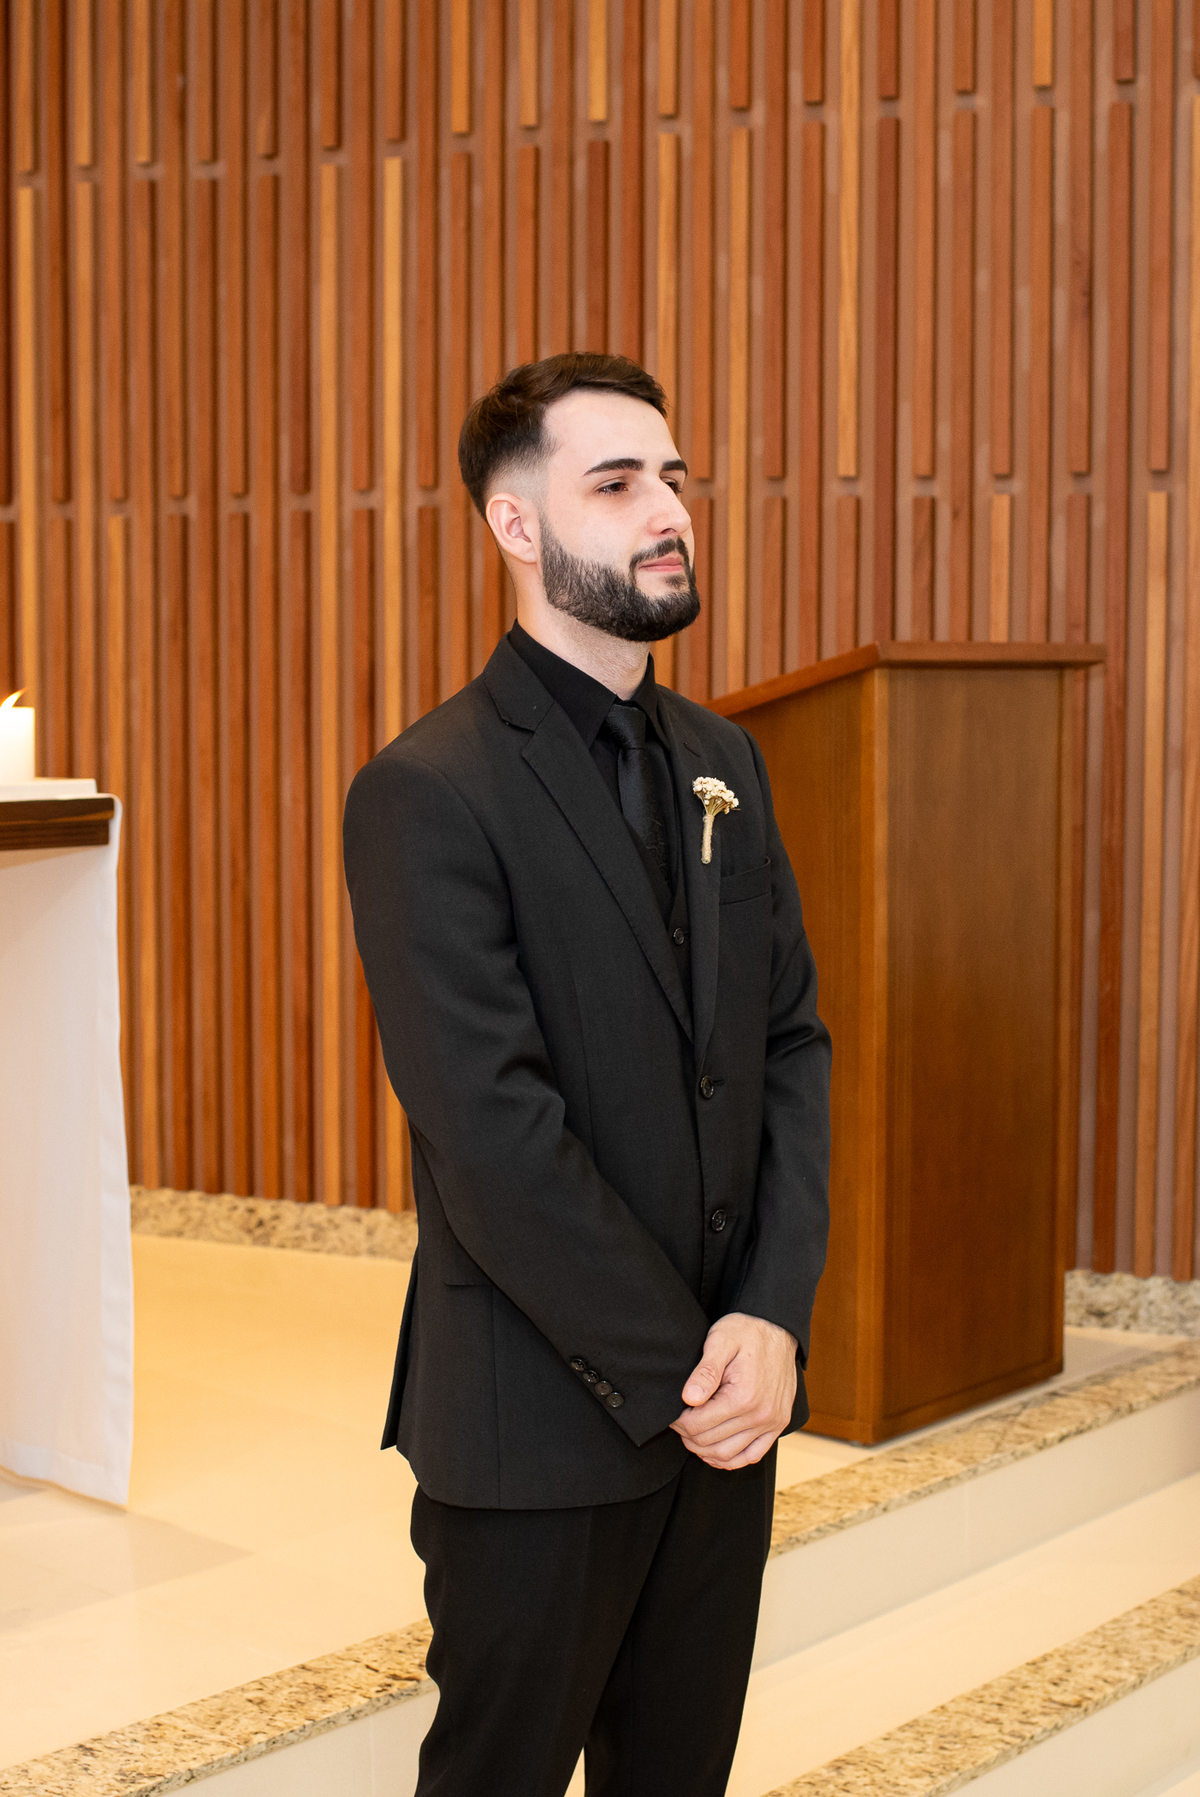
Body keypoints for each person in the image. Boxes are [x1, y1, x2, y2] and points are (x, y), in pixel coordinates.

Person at [343, 352, 830, 1797]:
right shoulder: (428, 790)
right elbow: (491, 1134)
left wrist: (770, 1314)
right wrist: (686, 1366)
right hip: (538, 1424)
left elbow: (787, 1044)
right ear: (515, 525)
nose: (667, 510)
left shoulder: (723, 759)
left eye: (672, 477)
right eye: (615, 484)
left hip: (725, 1412)